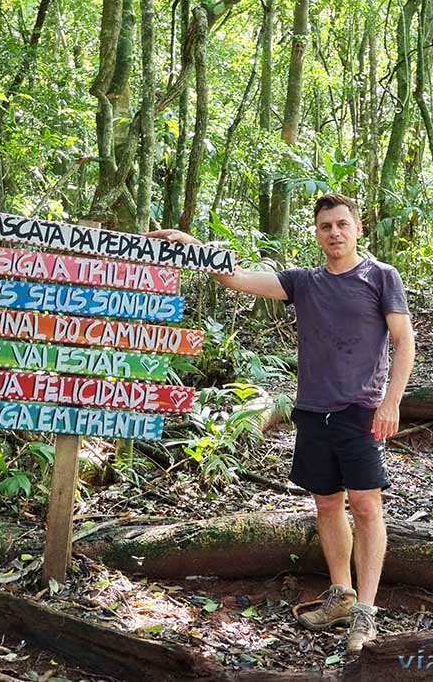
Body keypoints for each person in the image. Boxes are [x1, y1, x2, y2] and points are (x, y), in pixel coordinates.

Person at [147, 193, 415, 654]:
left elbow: (404, 340)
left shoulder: (380, 276)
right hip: (312, 410)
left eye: (341, 224)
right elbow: (233, 277)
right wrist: (193, 245)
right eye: (326, 225)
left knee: (367, 507)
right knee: (327, 504)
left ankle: (366, 614)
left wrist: (391, 402)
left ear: (357, 229)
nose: (334, 232)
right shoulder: (303, 282)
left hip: (361, 411)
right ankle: (341, 595)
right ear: (317, 233)